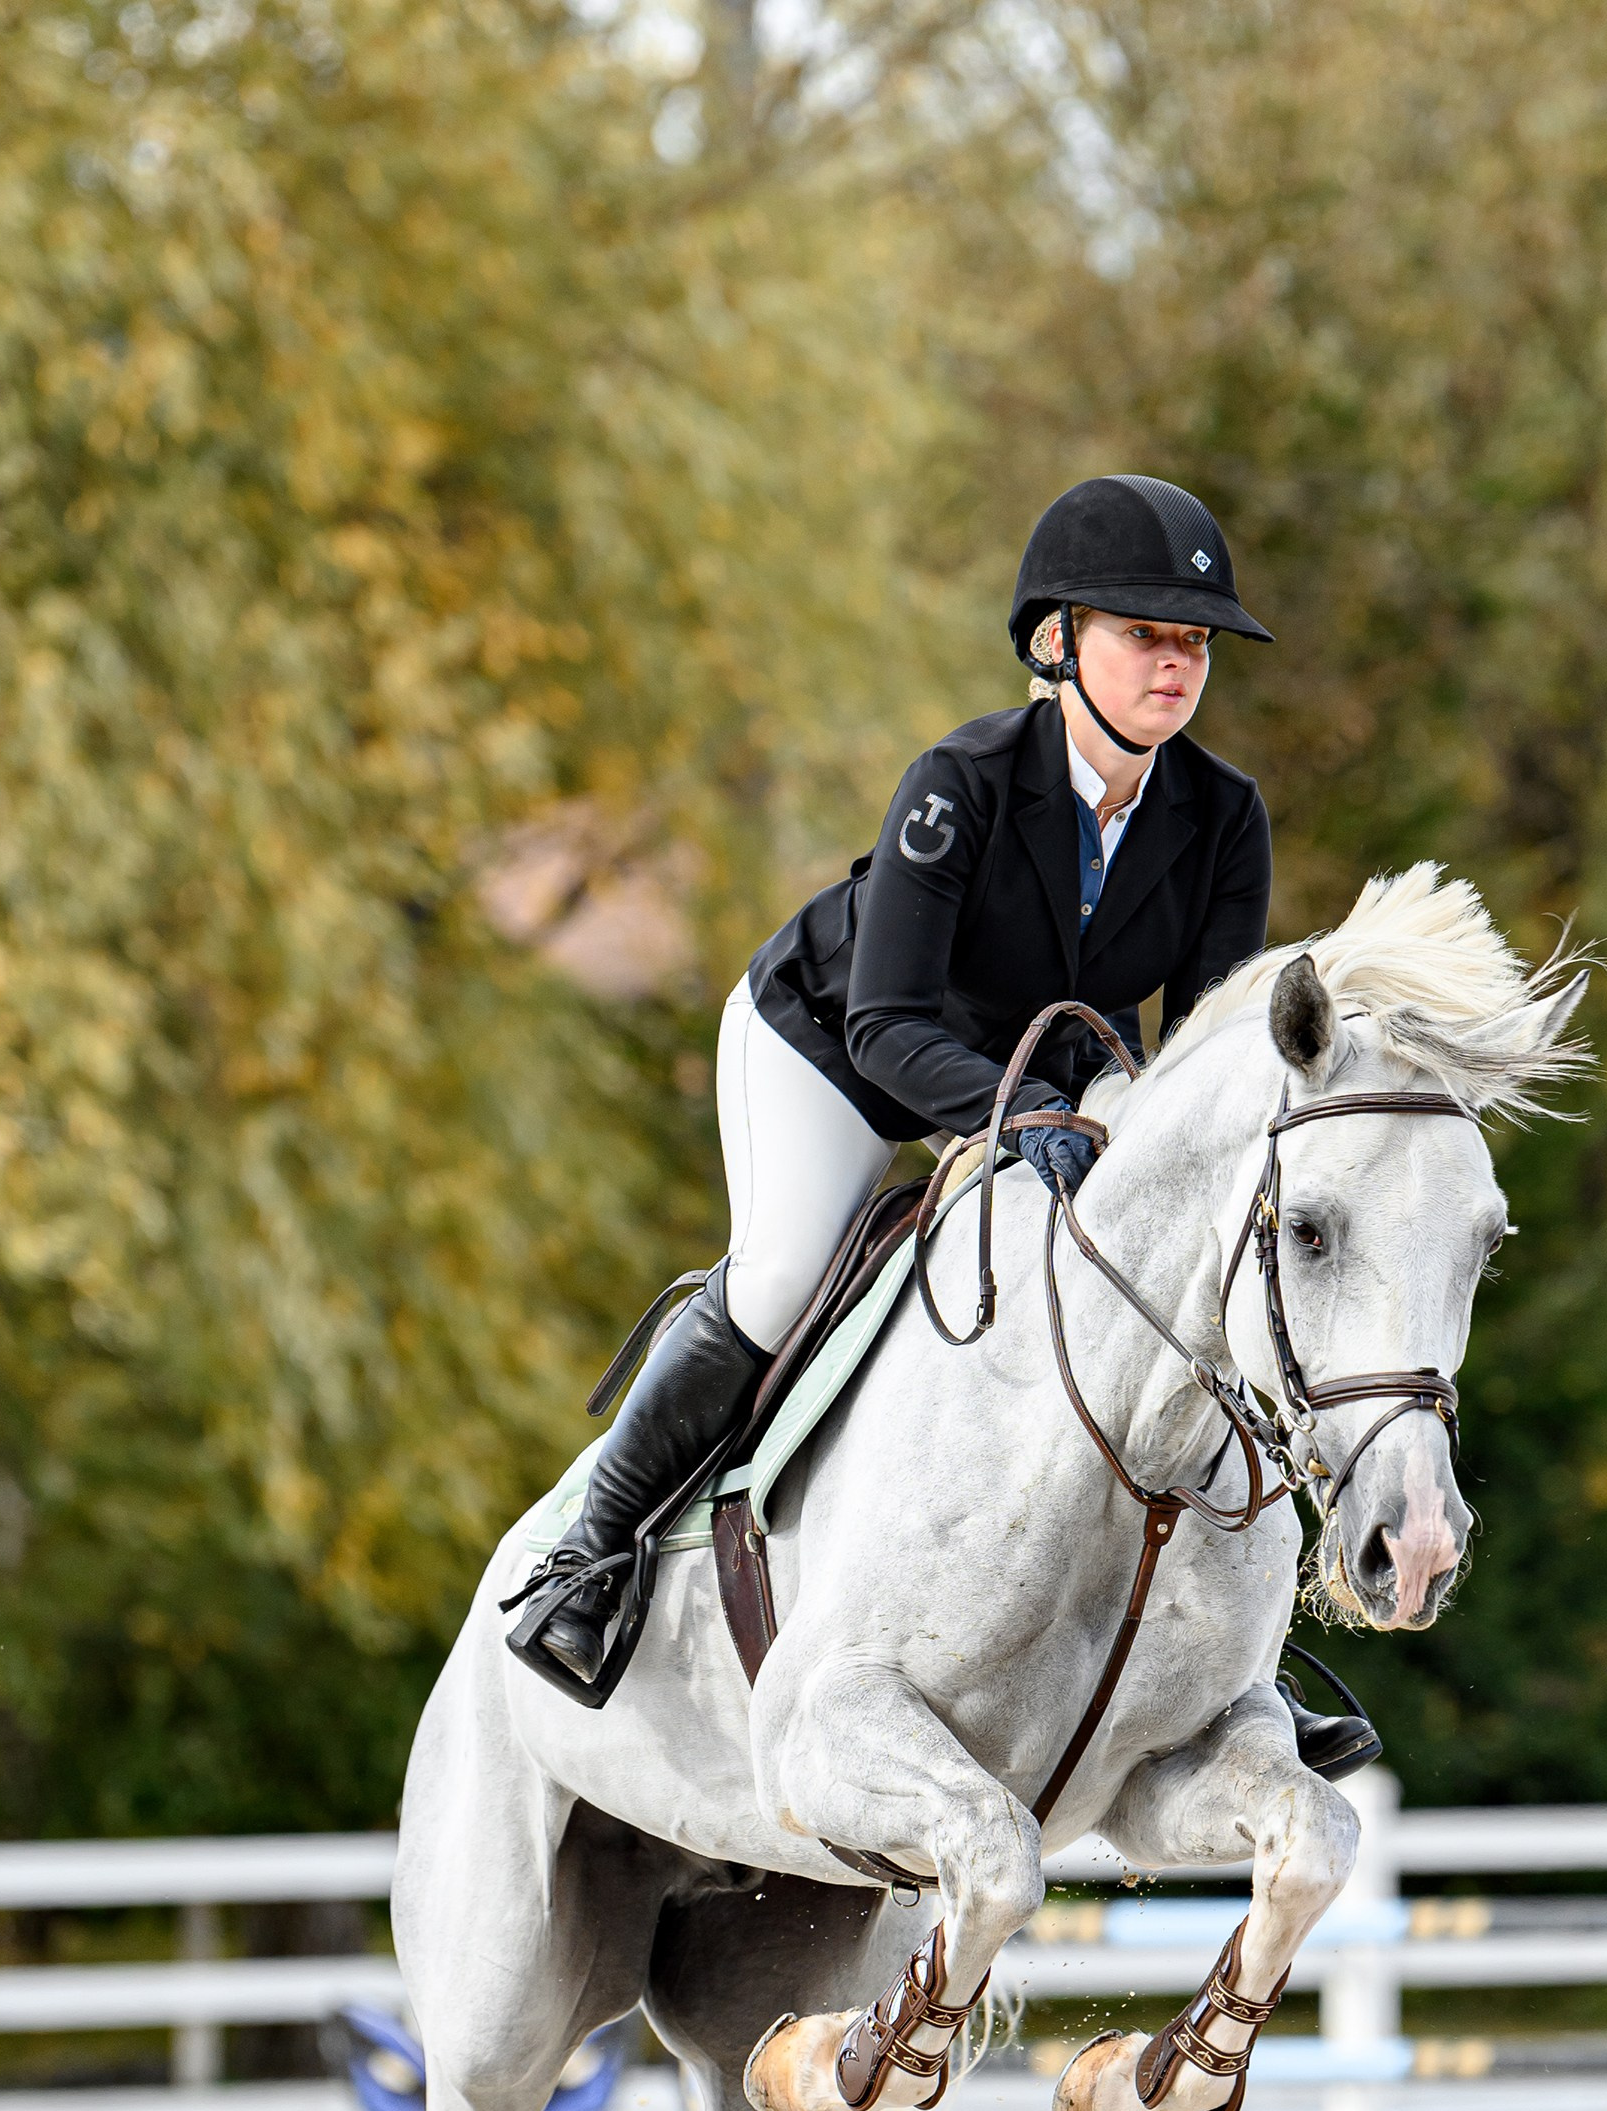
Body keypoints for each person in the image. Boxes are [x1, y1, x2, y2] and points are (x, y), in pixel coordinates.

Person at [512, 471, 1376, 1777]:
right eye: (1145, 634)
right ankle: (594, 1552)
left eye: (1195, 642)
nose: (1177, 663)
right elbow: (885, 1023)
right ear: (1057, 642)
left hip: (1049, 1072)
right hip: (834, 1047)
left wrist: (1125, 1142)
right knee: (784, 1274)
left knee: (1176, 1283)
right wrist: (1020, 1114)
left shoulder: (1222, 816)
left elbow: (1202, 1056)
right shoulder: (960, 785)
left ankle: (1232, 1656)